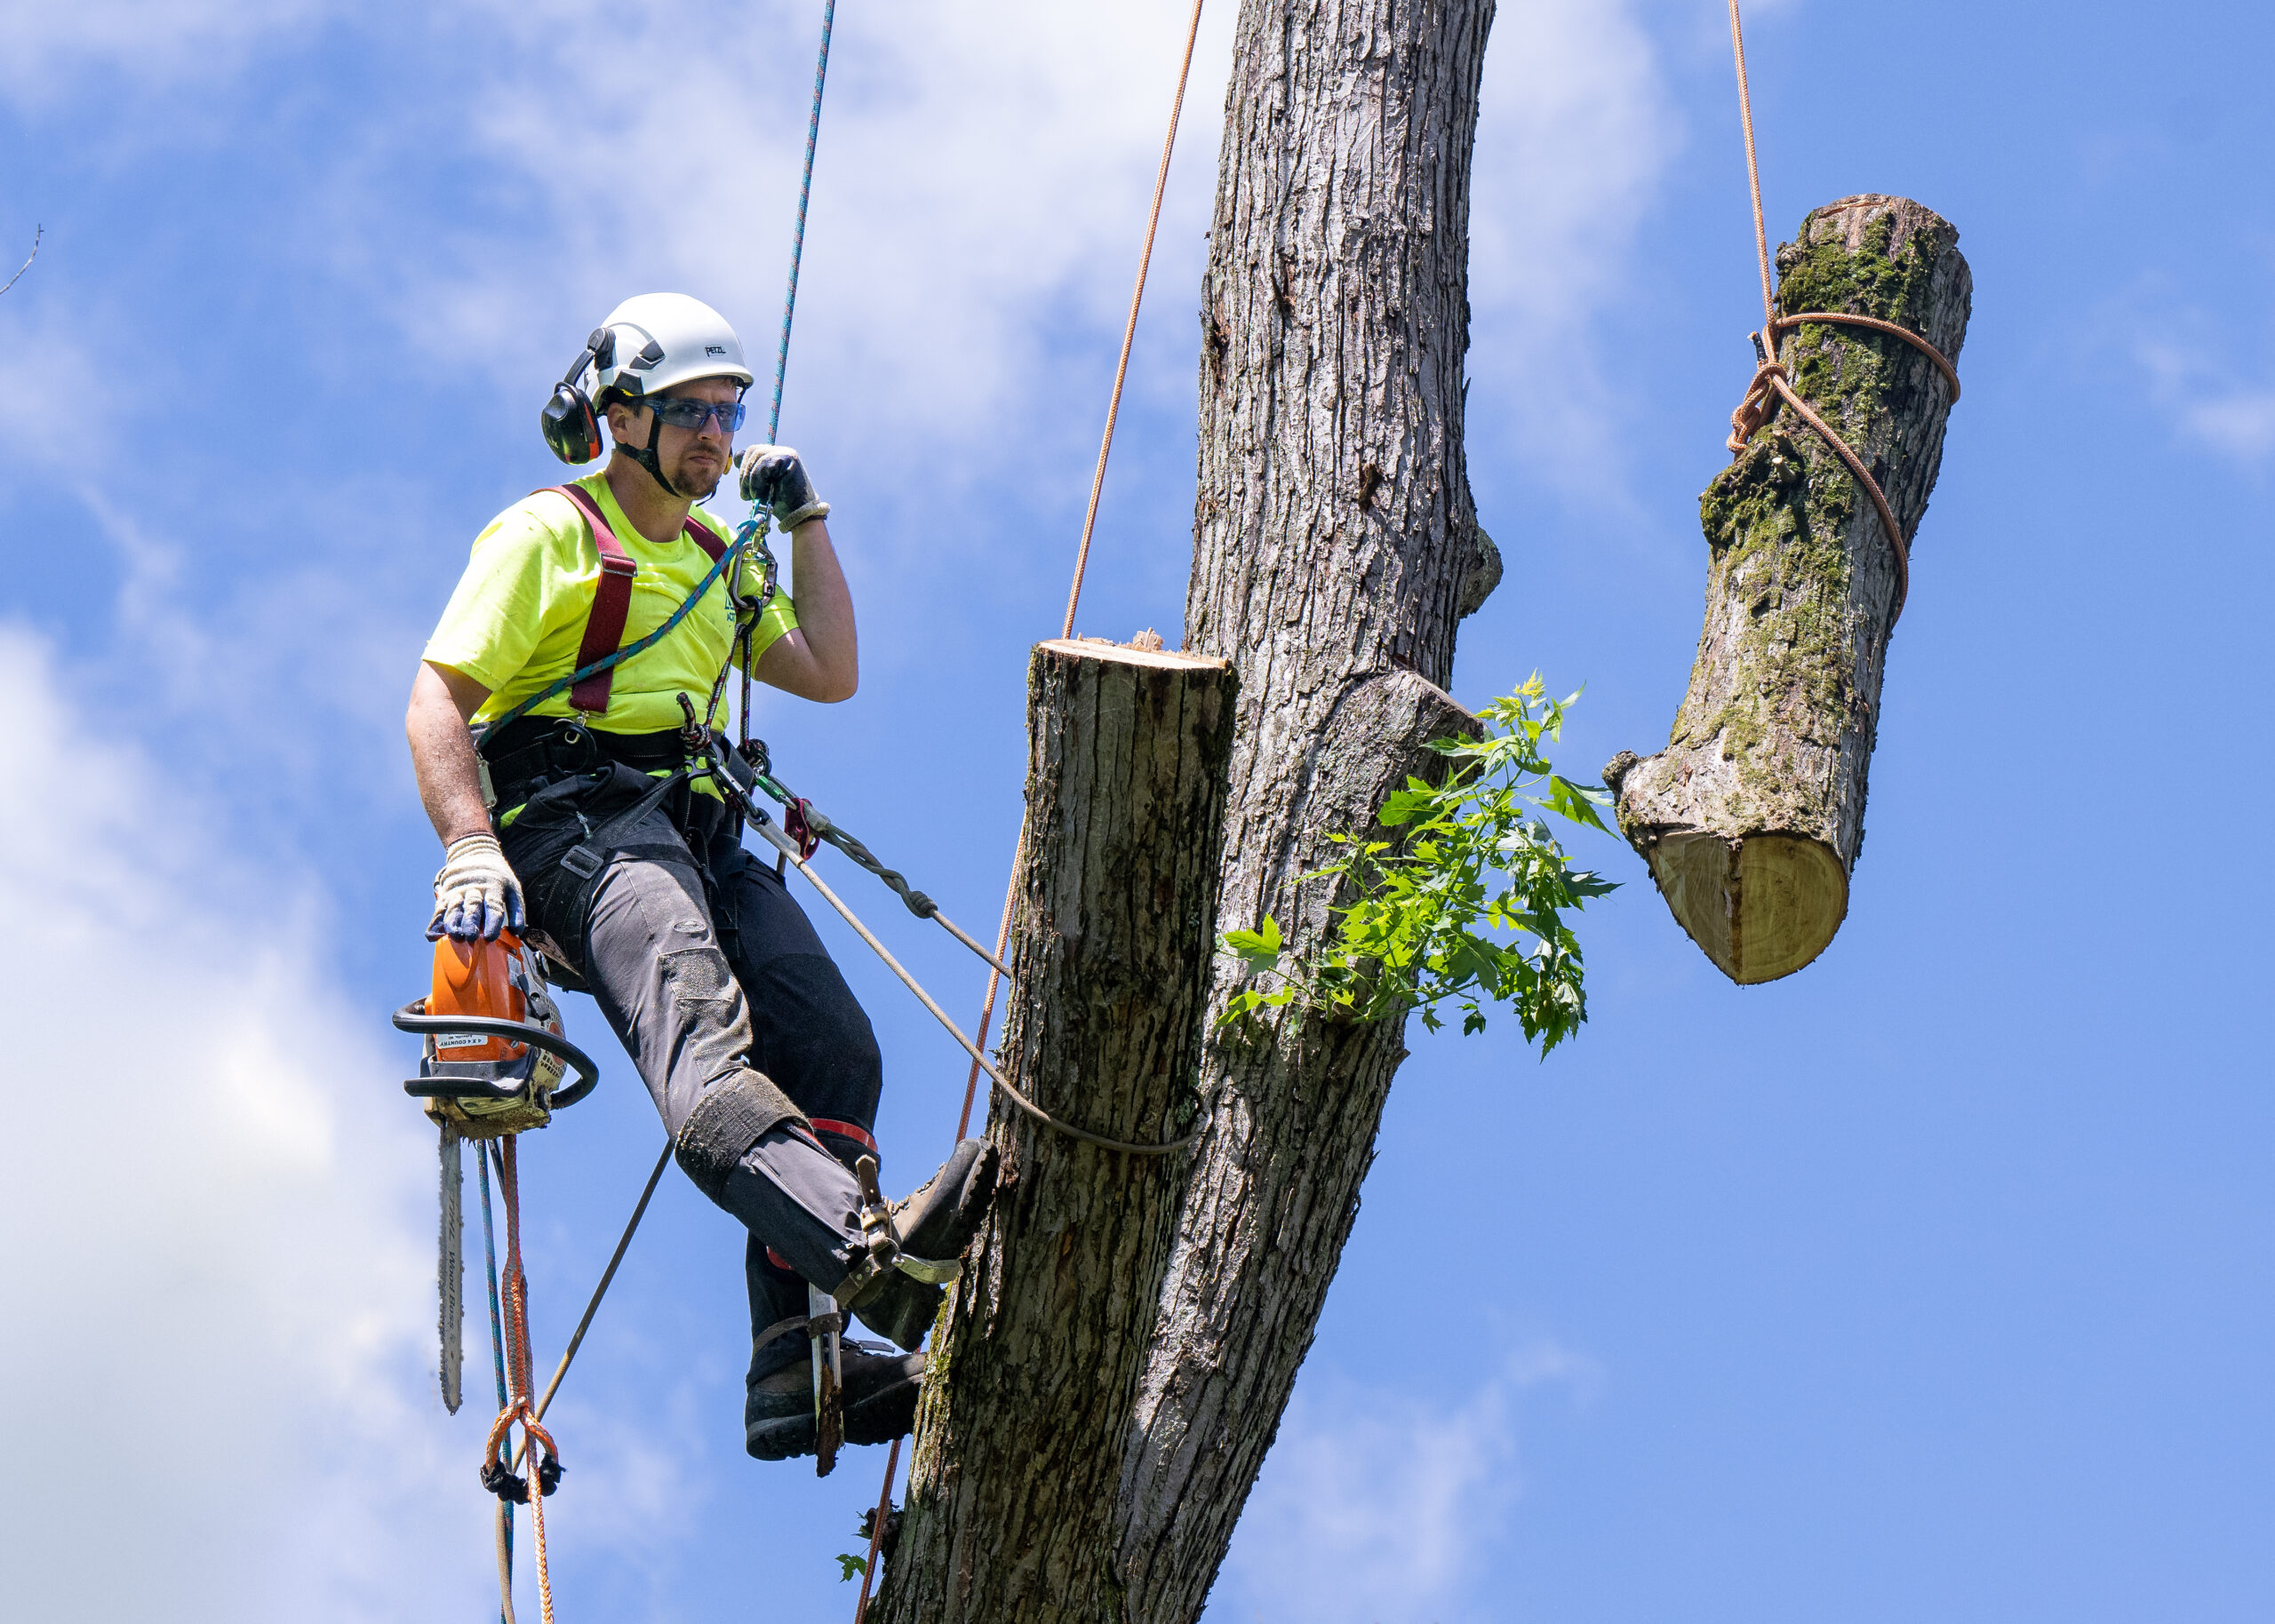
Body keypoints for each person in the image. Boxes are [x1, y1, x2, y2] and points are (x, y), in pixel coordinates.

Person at [403, 291, 995, 1461]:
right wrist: (471, 844)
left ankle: (797, 1361)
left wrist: (808, 518)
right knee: (702, 1044)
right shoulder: (547, 537)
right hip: (574, 822)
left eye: (727, 414)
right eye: (688, 414)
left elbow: (828, 670)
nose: (715, 438)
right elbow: (438, 701)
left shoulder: (725, 559)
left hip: (699, 825)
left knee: (832, 1048)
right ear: (616, 416)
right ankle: (866, 1255)